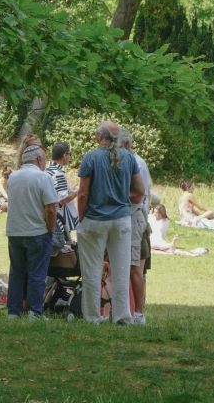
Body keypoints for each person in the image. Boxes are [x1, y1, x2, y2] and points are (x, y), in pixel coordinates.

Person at [75, 121, 143, 325]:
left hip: (95, 219)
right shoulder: (129, 157)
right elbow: (140, 191)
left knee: (92, 270)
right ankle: (122, 317)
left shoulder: (91, 157)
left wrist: (81, 218)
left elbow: (83, 193)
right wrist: (120, 198)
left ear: (99, 137)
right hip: (121, 220)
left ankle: (92, 317)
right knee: (121, 270)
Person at [5, 145, 58, 320]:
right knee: (37, 273)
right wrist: (49, 229)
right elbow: (51, 208)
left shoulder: (12, 178)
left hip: (15, 231)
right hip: (36, 231)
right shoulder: (43, 178)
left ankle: (14, 311)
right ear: (39, 160)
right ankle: (34, 311)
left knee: (17, 272)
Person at [117, 127, 151, 325]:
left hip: (134, 217)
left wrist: (111, 196)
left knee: (134, 268)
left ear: (127, 144)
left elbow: (139, 195)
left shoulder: (136, 163)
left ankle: (138, 314)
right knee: (124, 267)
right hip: (125, 217)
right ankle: (124, 310)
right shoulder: (125, 160)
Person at [45, 142, 79, 233]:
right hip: (61, 221)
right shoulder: (58, 174)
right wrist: (78, 191)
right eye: (70, 154)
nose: (70, 157)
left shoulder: (48, 170)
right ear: (65, 156)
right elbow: (64, 199)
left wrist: (70, 189)